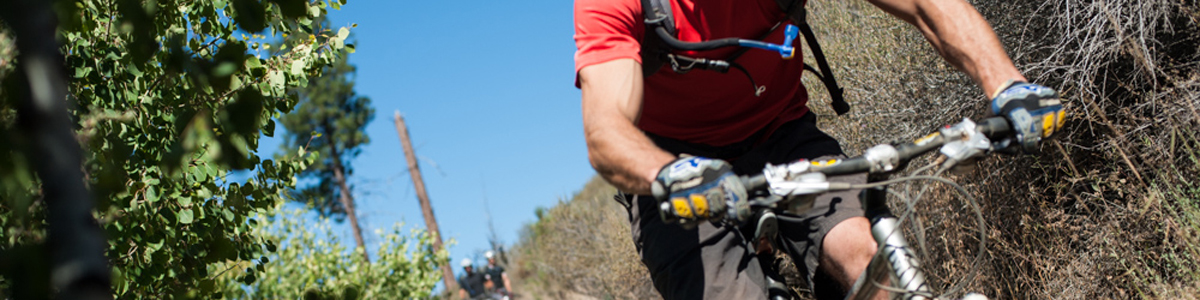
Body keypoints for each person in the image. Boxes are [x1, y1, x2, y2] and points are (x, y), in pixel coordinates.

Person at [573, 0, 1066, 299]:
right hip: (674, 167)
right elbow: (606, 129)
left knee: (868, 258)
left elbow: (925, 8)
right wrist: (670, 172)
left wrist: (1009, 85)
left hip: (784, 135)